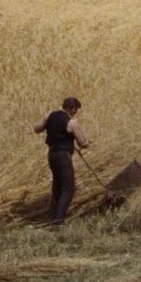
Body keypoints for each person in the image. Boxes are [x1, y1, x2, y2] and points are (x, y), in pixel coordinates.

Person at [32, 97, 91, 226]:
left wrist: (46, 118)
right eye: (76, 110)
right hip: (63, 157)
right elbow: (83, 143)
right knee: (69, 188)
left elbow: (36, 128)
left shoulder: (50, 116)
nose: (76, 112)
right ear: (72, 108)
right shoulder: (71, 122)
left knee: (57, 187)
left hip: (52, 155)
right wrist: (87, 143)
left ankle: (52, 217)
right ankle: (58, 221)